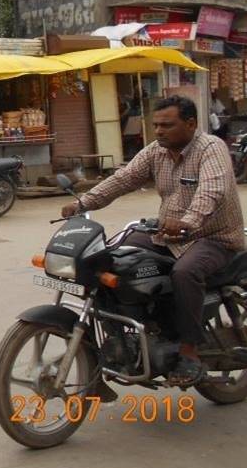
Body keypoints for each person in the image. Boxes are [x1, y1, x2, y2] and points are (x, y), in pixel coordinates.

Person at [61, 95, 244, 386]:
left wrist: (188, 222)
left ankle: (189, 351)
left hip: (213, 237)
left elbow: (211, 191)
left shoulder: (211, 148)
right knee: (110, 260)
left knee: (185, 272)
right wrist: (83, 203)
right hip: (166, 235)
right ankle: (124, 336)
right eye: (156, 125)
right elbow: (123, 179)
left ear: (191, 124)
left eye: (167, 125)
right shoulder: (156, 151)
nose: (158, 131)